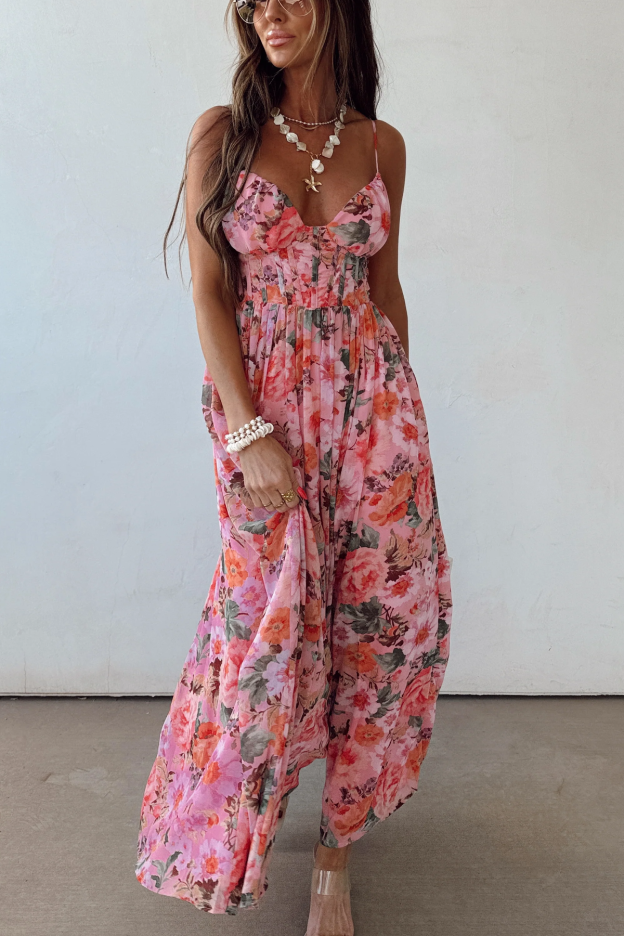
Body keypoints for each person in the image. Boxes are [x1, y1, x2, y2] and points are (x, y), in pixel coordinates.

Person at [135, 1, 453, 933]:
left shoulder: (382, 145)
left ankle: (334, 853)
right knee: (264, 631)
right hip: (266, 418)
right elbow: (208, 290)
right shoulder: (222, 134)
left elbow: (385, 292)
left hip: (376, 423)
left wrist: (404, 428)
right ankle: (228, 829)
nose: (267, 10)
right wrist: (245, 432)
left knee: (376, 632)